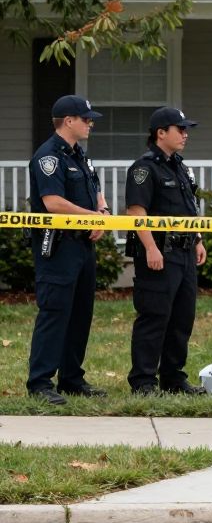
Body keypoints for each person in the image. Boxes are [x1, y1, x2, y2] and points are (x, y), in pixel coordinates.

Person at [26, 95, 111, 405]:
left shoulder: (80, 156)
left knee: (80, 313)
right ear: (68, 121)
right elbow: (54, 203)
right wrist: (93, 217)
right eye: (86, 119)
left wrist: (102, 212)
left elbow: (96, 189)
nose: (90, 124)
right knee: (55, 311)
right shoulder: (48, 157)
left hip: (82, 245)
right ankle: (40, 382)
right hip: (59, 246)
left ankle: (72, 379)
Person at [123, 107, 207, 395]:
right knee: (154, 316)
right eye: (180, 129)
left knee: (182, 318)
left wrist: (197, 239)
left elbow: (188, 208)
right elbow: (136, 211)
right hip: (159, 251)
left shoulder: (179, 167)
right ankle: (143, 381)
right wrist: (150, 247)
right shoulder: (144, 168)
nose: (185, 135)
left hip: (184, 252)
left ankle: (173, 378)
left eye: (186, 130)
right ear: (161, 133)